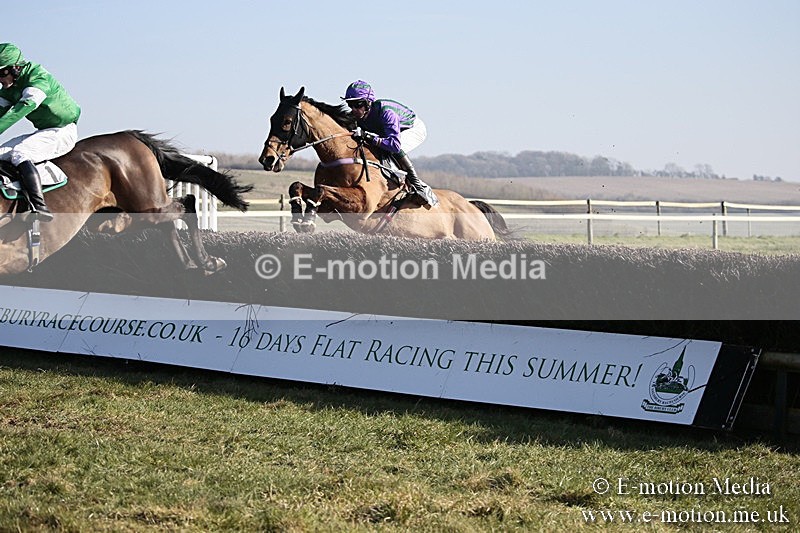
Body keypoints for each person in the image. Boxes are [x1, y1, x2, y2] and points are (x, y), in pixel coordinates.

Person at [0, 43, 81, 221]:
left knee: (21, 153)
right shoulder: (10, 87)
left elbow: (20, 110)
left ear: (16, 68)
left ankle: (39, 206)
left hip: (63, 130)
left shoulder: (37, 78)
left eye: (1, 73)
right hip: (45, 131)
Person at [342, 80, 438, 208]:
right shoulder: (359, 115)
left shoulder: (387, 112)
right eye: (350, 105)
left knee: (394, 149)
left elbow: (394, 145)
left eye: (357, 104)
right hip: (388, 132)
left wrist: (369, 137)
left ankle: (417, 186)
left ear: (368, 102)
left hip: (411, 129)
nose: (353, 109)